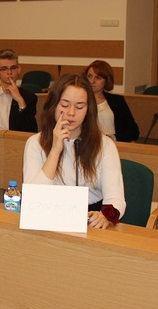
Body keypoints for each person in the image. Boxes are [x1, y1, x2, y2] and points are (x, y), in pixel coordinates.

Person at [23, 73, 126, 229]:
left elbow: (116, 197)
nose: (71, 113)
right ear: (53, 105)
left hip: (91, 219)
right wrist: (55, 151)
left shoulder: (105, 145)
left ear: (88, 110)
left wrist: (105, 216)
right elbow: (33, 198)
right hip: (48, 217)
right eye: (65, 105)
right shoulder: (35, 143)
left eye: (79, 107)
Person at [84, 60, 139, 142]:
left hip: (114, 145)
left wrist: (113, 138)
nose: (92, 81)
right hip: (87, 145)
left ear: (107, 80)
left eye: (98, 78)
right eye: (89, 76)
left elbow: (134, 131)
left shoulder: (117, 101)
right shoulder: (78, 101)